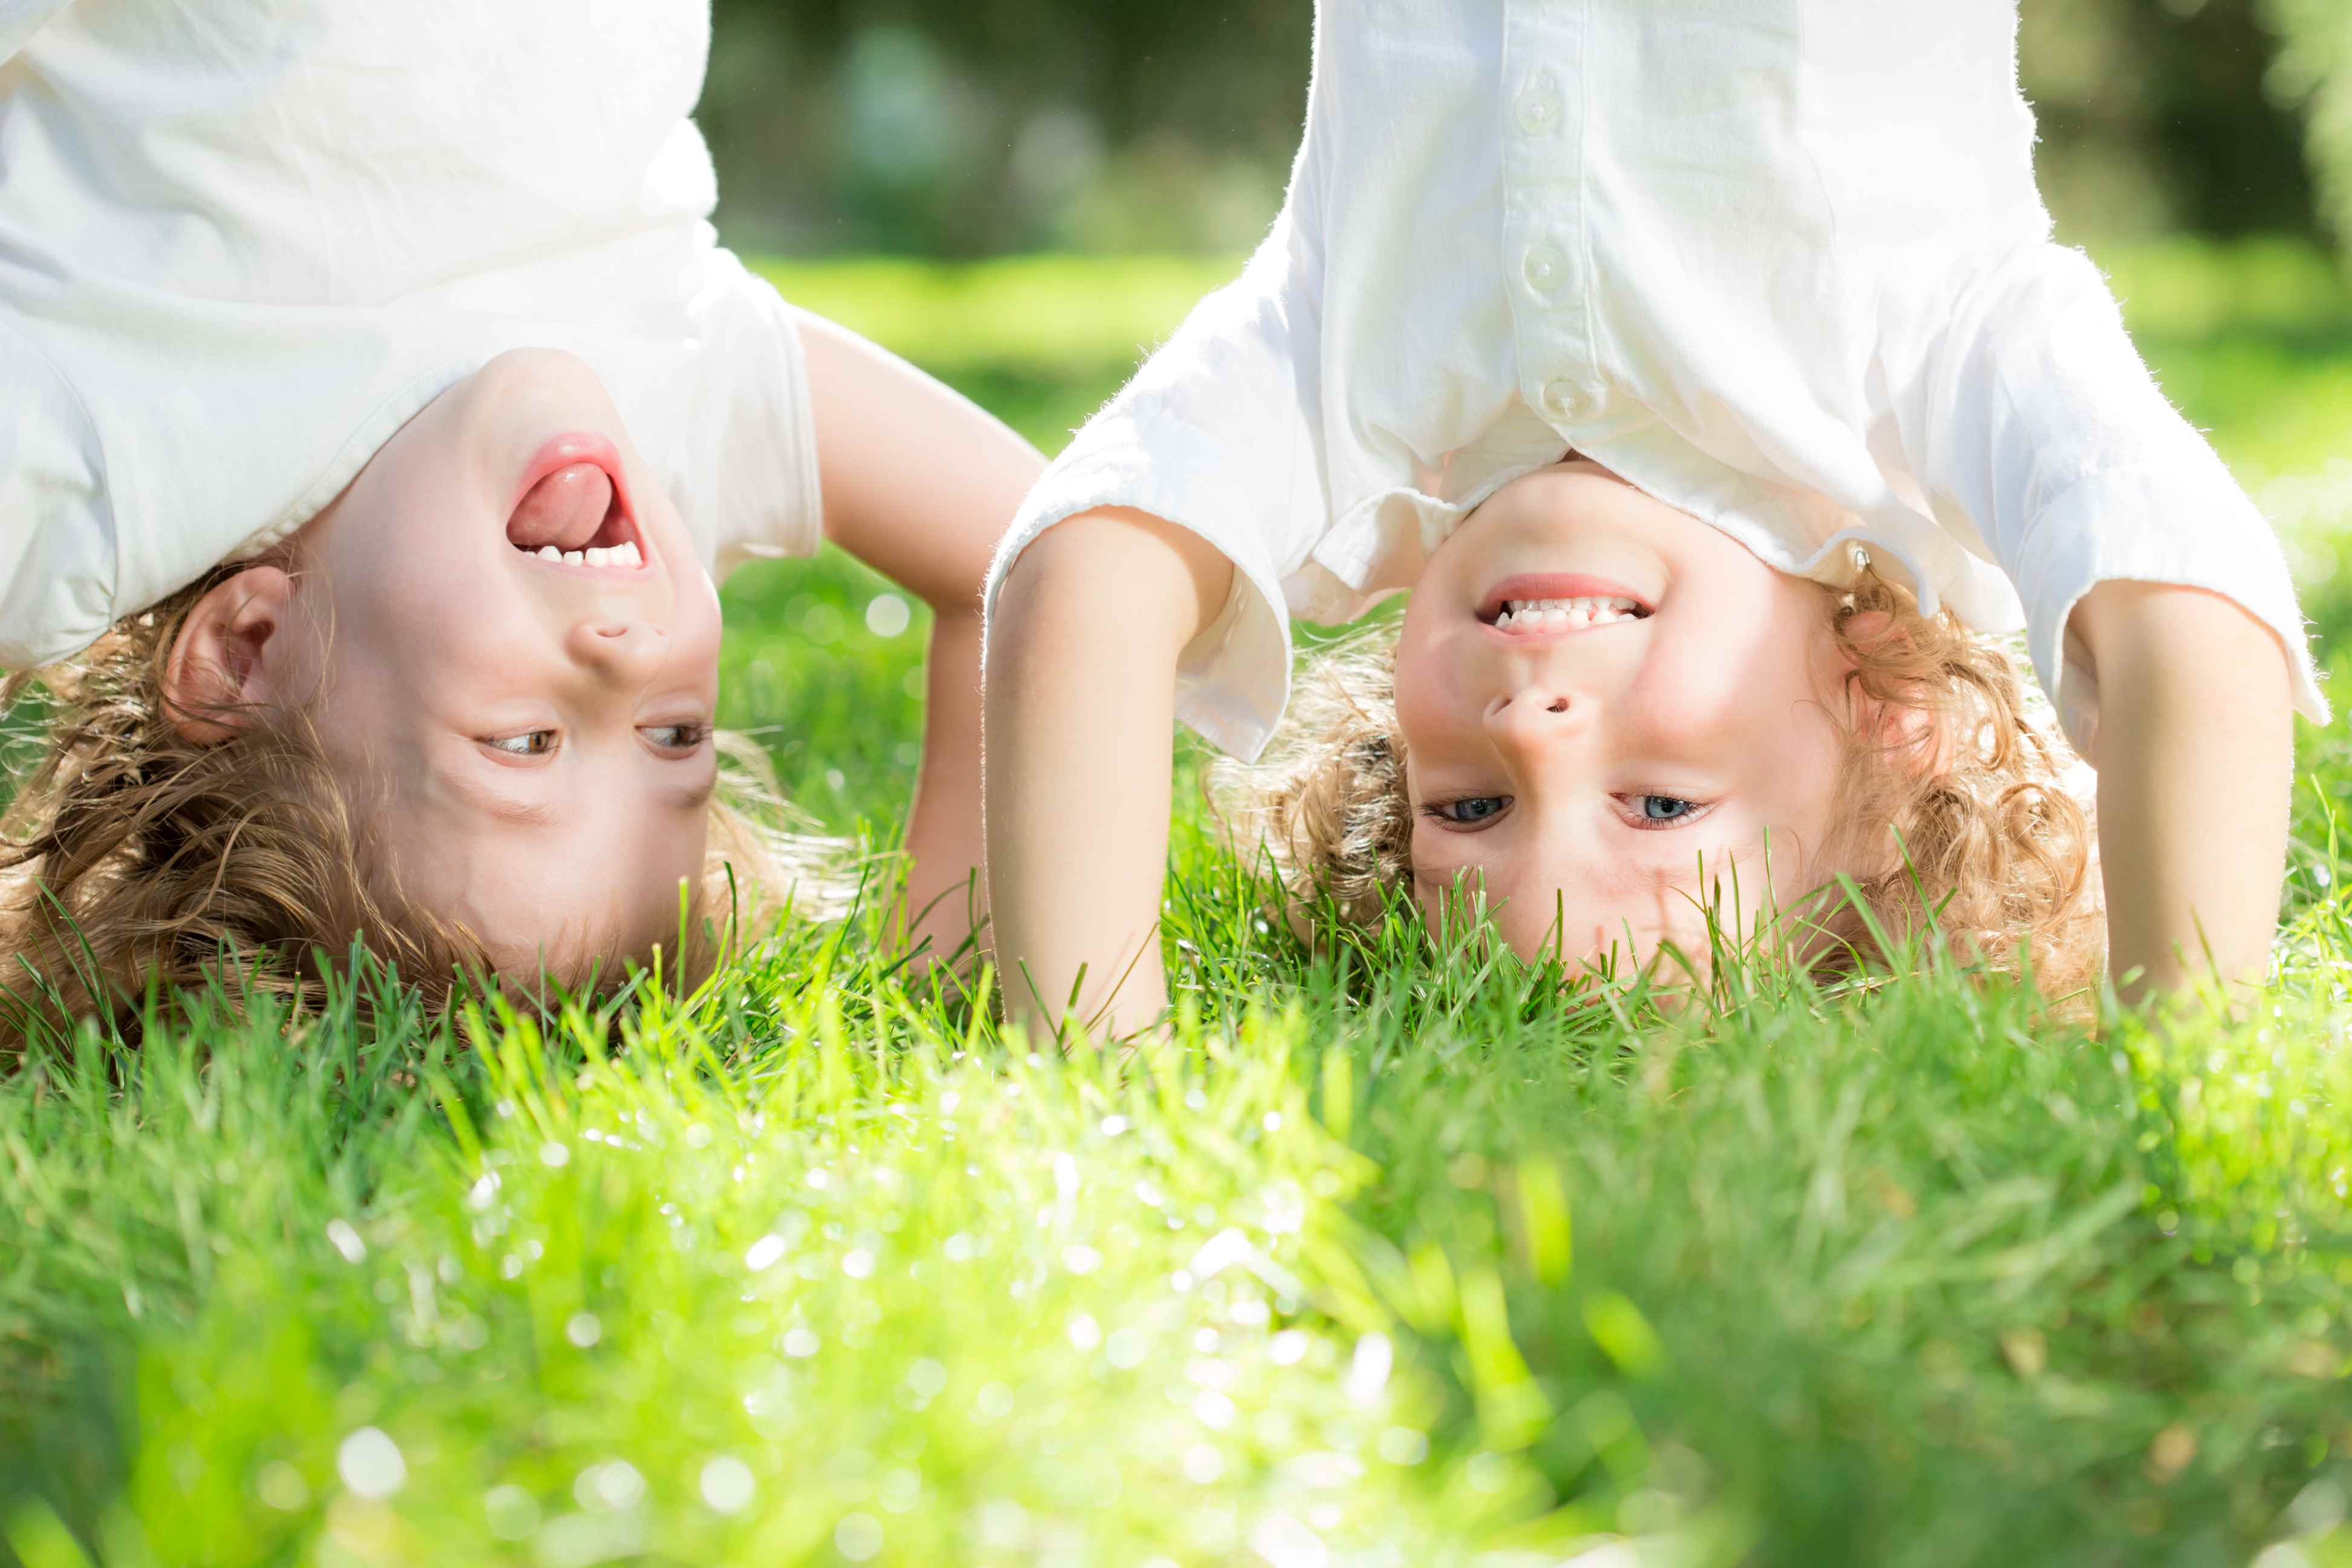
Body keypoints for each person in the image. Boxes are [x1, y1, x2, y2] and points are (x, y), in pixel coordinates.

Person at [982, 2, 2327, 1039]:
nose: (1530, 730)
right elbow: (2192, 613)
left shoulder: (1351, 368)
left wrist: (1098, 1075)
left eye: (1468, 805)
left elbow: (1080, 577)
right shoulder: (1931, 360)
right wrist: (2174, 1076)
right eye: (1658, 804)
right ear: (1892, 721)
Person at [0, 0, 1034, 1043]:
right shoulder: (669, 410)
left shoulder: (106, 464)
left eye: (527, 743)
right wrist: (947, 1006)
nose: (623, 651)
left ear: (247, 653)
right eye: (675, 735)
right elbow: (1027, 558)